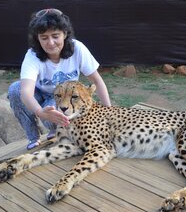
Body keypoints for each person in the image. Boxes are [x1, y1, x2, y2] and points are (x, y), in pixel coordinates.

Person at [8, 8, 111, 150]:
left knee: (53, 120)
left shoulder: (78, 48)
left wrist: (109, 112)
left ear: (65, 34)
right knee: (15, 89)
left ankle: (53, 129)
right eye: (44, 38)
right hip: (38, 94)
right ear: (37, 39)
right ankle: (33, 136)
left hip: (62, 98)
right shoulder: (32, 56)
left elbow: (97, 81)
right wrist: (39, 112)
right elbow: (26, 92)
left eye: (55, 36)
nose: (50, 43)